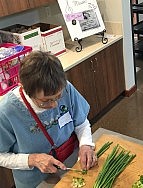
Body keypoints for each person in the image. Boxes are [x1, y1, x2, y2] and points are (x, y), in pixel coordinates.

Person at [0, 51, 97, 188]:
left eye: (58, 97)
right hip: (36, 180)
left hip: (71, 165)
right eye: (46, 101)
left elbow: (81, 122)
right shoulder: (7, 111)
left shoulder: (65, 88)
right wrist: (32, 159)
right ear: (25, 89)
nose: (54, 105)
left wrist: (86, 144)